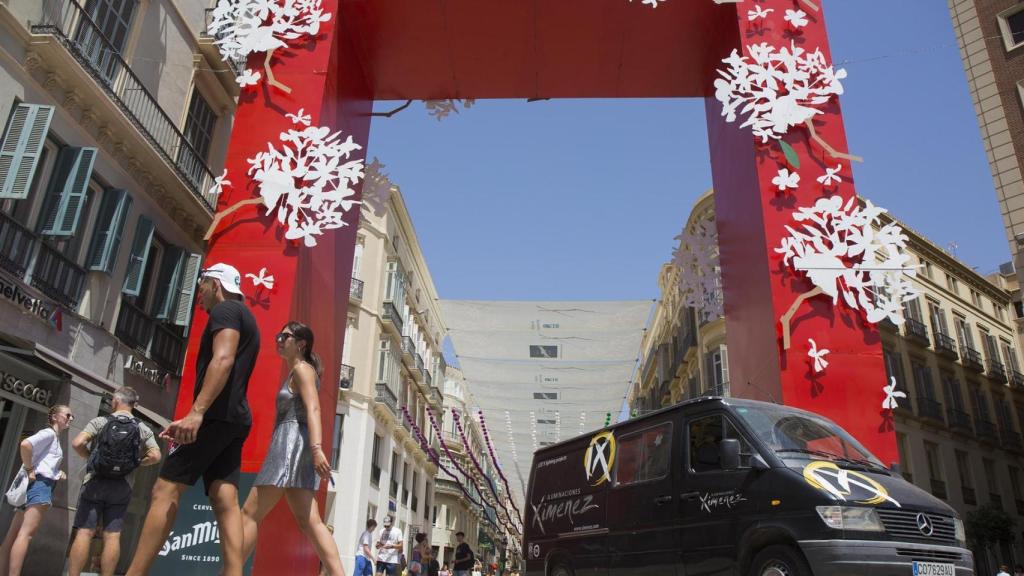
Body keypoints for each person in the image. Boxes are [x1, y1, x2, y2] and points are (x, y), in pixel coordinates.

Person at [126, 263, 260, 576]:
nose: (198, 295)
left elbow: (223, 359)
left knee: (164, 491)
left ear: (216, 284)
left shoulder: (225, 311)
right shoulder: (247, 316)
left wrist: (196, 412)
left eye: (202, 286)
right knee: (223, 496)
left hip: (214, 416)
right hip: (236, 417)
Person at [239, 321, 345, 575]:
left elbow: (314, 408)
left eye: (284, 336)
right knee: (310, 522)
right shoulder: (299, 370)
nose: (279, 339)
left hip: (290, 443)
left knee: (250, 513)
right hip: (297, 444)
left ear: (301, 343)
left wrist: (318, 448)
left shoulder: (301, 369)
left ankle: (229, 571)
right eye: (279, 335)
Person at [68, 387, 162, 576]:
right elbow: (156, 456)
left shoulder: (101, 422)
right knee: (112, 536)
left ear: (115, 401)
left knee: (85, 532)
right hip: (122, 485)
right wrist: (135, 464)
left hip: (95, 481)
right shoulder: (141, 428)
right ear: (134, 405)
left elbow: (77, 443)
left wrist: (90, 459)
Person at [0, 404, 74, 576]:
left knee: (13, 535)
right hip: (40, 486)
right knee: (25, 535)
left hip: (32, 485)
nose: (70, 418)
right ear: (55, 417)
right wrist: (29, 468)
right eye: (67, 415)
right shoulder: (49, 433)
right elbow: (26, 444)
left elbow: (42, 461)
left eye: (72, 416)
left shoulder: (54, 438)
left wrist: (56, 472)